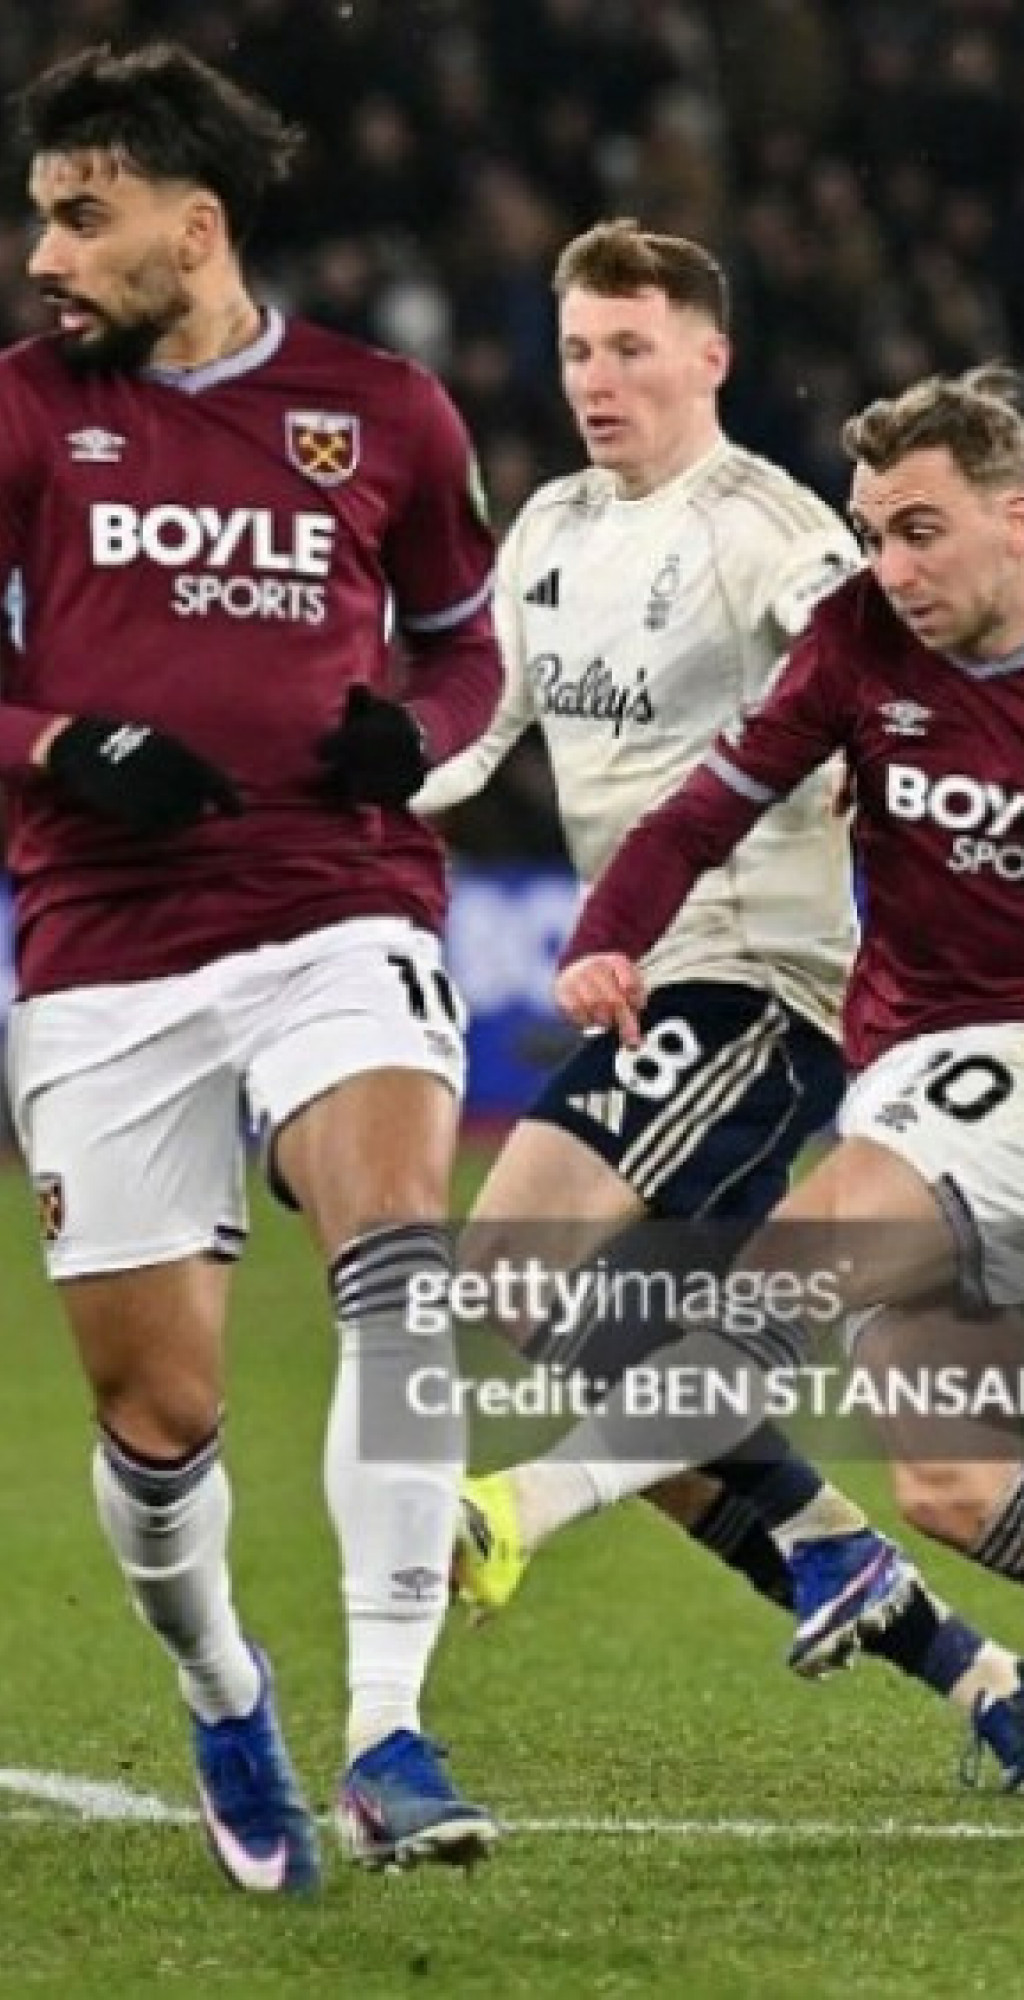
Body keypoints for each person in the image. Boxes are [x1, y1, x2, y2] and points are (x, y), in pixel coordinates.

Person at [0, 42, 505, 1888]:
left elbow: (465, 650)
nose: (45, 256)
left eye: (83, 216)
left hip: (340, 906)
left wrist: (418, 731)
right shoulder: (9, 414)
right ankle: (228, 1687)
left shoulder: (383, 412)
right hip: (109, 956)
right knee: (163, 1418)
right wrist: (64, 743)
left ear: (191, 223)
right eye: (41, 215)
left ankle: (390, 1726)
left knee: (395, 1245)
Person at [416, 221, 1024, 1751]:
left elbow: (757, 790)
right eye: (574, 349)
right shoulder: (557, 529)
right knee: (950, 1479)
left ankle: (522, 1508)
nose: (598, 380)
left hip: (768, 982)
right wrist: (318, 797)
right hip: (845, 1032)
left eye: (631, 346)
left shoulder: (778, 537)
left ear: (710, 355)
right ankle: (934, 1638)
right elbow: (496, 745)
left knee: (725, 1282)